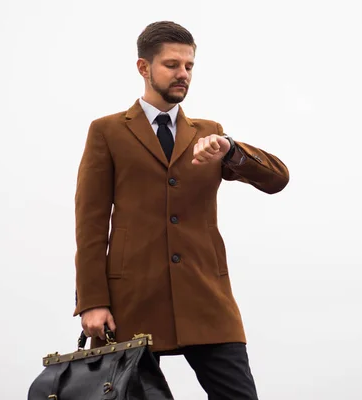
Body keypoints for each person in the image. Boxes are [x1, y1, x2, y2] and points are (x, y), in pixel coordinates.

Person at [72, 20, 289, 399]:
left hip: (206, 297)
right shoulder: (107, 131)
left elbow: (277, 179)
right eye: (172, 65)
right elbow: (90, 224)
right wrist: (92, 302)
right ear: (144, 68)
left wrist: (232, 150)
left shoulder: (210, 134)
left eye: (189, 66)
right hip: (132, 301)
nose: (183, 74)